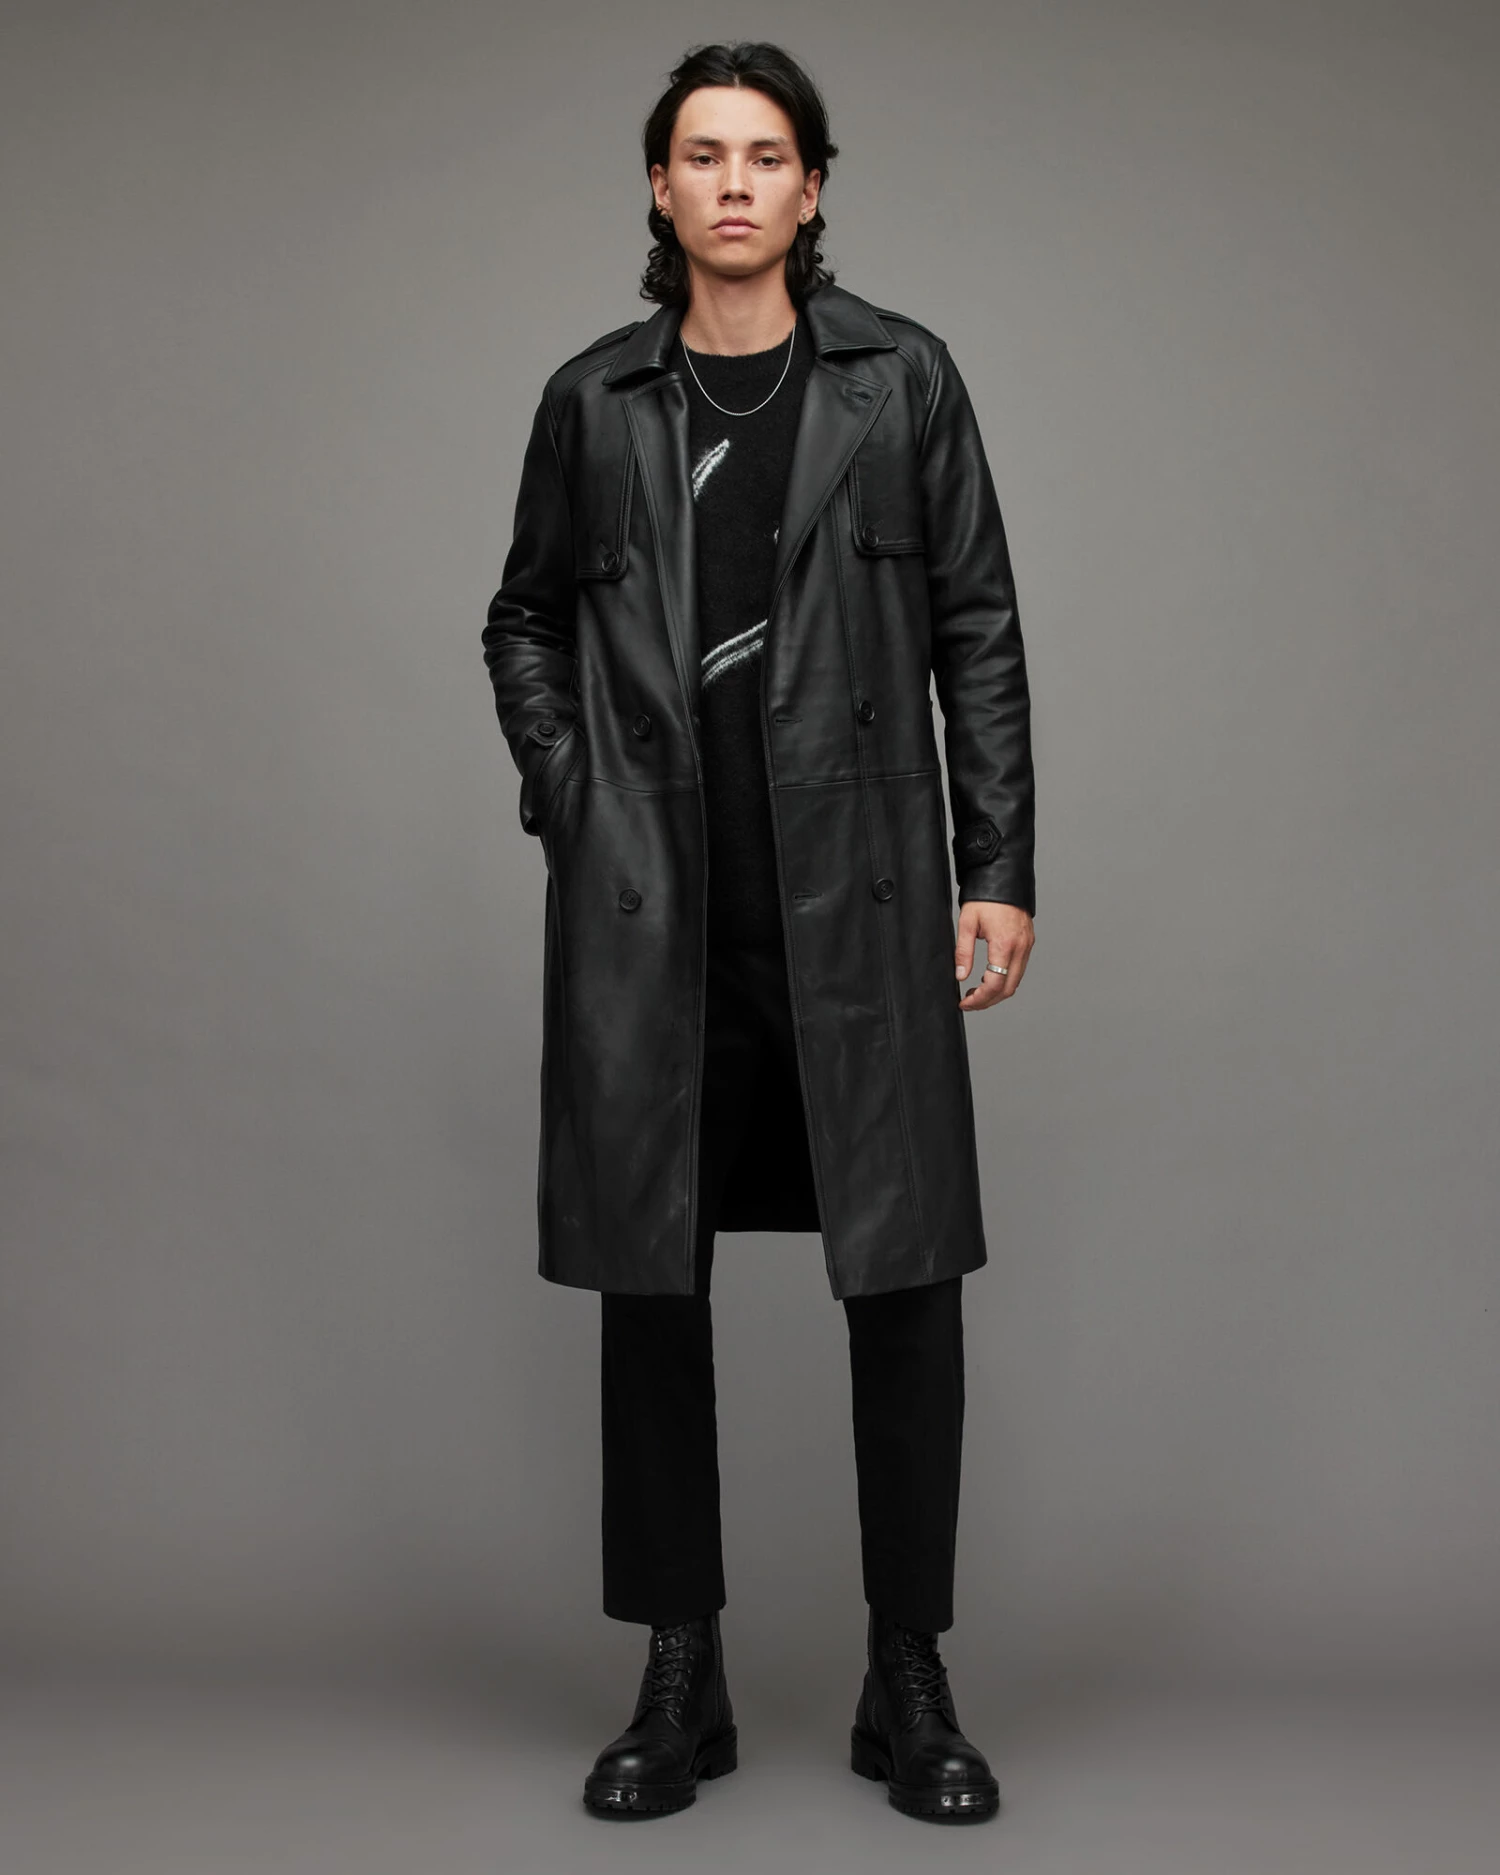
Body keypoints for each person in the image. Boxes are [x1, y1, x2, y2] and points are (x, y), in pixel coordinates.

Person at [481, 40, 1036, 1824]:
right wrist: (571, 787)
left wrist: (996, 861)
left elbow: (978, 625)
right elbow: (522, 619)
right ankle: (680, 1670)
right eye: (704, 154)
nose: (735, 182)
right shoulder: (592, 402)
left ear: (812, 188)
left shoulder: (899, 380)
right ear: (660, 188)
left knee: (907, 1283)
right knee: (655, 1289)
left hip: (857, 907)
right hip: (656, 914)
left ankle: (908, 1674)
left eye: (768, 153)